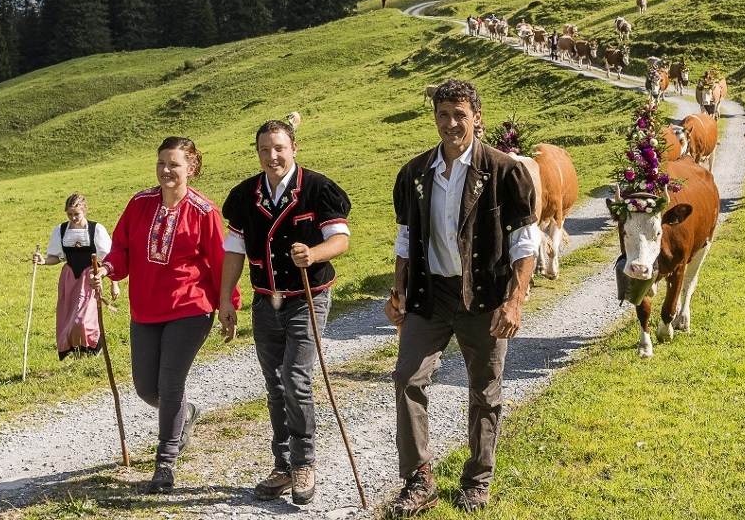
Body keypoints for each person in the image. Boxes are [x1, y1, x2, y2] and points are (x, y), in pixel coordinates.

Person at [385, 78, 540, 516]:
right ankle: (420, 480)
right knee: (407, 379)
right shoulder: (415, 172)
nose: (451, 123)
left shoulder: (505, 170)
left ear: (477, 118)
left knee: (485, 388)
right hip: (430, 293)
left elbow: (525, 244)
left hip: (485, 295)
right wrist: (398, 287)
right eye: (443, 114)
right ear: (434, 117)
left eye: (459, 115)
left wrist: (515, 301)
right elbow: (405, 236)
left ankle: (476, 480)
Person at [219, 118, 352, 506]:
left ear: (294, 148)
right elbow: (234, 249)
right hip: (265, 300)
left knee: (296, 378)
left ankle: (304, 461)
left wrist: (313, 254)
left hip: (307, 297)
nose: (272, 156)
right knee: (274, 384)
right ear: (258, 153)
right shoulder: (246, 195)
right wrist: (226, 298)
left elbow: (340, 239)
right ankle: (282, 465)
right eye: (265, 149)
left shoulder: (317, 188)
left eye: (279, 148)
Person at [91, 137, 234, 492]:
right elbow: (121, 248)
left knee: (170, 383)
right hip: (145, 307)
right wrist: (107, 269)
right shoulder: (139, 204)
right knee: (145, 386)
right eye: (161, 163)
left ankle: (165, 461)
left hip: (190, 306)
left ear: (191, 168)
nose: (166, 171)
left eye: (174, 164)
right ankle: (184, 413)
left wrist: (228, 304)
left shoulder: (204, 212)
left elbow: (220, 263)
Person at [33, 193, 118, 359]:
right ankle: (79, 350)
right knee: (68, 317)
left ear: (85, 210)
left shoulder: (96, 230)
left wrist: (114, 283)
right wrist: (43, 261)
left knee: (82, 318)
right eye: (69, 214)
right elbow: (56, 257)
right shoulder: (61, 230)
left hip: (90, 278)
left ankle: (95, 345)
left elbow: (109, 260)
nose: (73, 218)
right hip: (69, 278)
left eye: (76, 214)